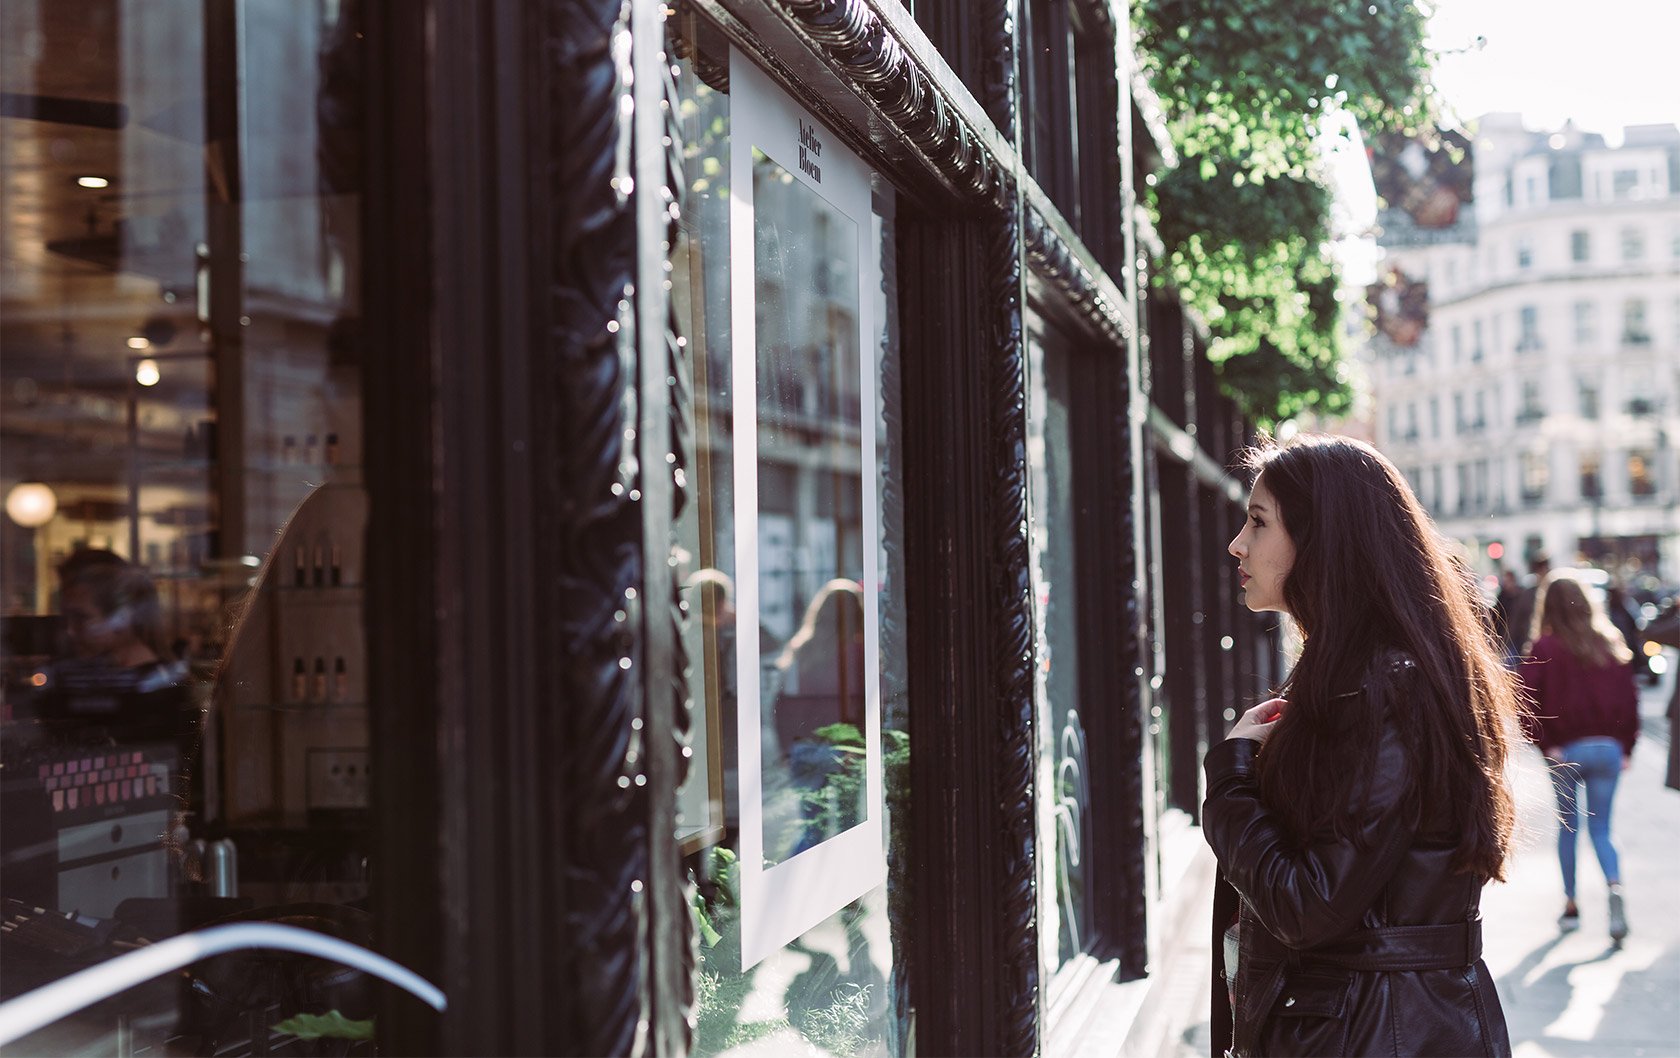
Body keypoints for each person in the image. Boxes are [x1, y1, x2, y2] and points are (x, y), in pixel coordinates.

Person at [1205, 435, 1515, 1058]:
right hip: (1370, 1022)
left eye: (1259, 522)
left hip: (1375, 1030)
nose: (1238, 544)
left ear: (1324, 541)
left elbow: (1308, 903)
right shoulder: (1363, 676)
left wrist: (1232, 783)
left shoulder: (1380, 690)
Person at [1516, 570, 1639, 943]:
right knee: (1603, 829)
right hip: (1606, 748)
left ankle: (1571, 904)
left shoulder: (1545, 647)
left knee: (1569, 828)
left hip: (1565, 751)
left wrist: (1544, 743)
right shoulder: (1610, 642)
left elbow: (1524, 703)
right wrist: (1626, 746)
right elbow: (1629, 699)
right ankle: (1614, 888)